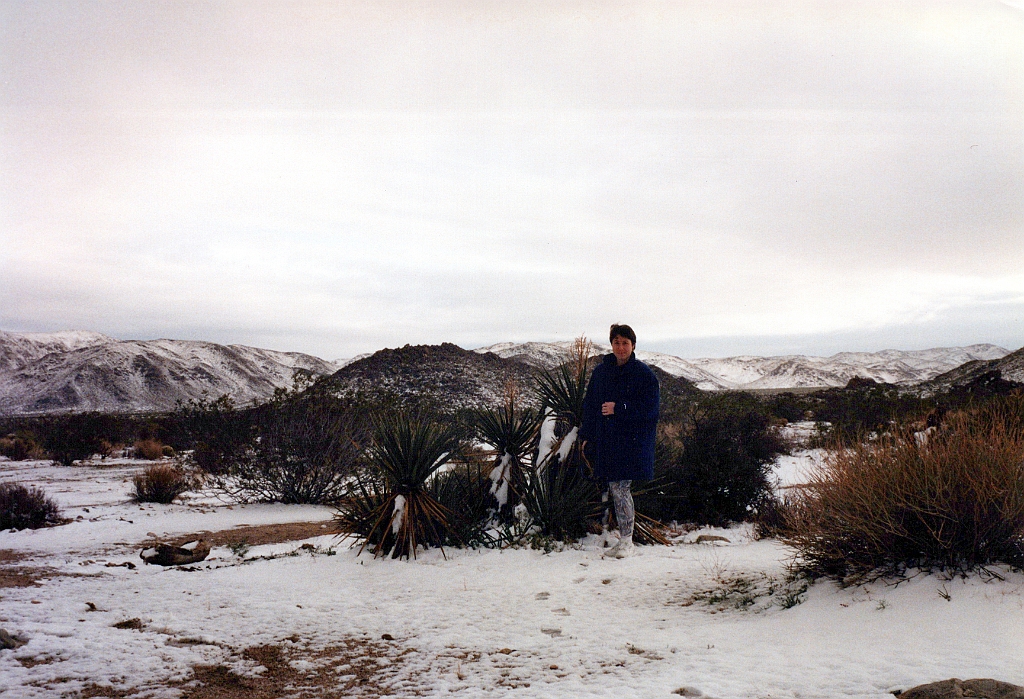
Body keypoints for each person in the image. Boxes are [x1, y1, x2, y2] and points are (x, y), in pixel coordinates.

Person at [579, 324, 660, 558]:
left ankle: (627, 542)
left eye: (625, 343)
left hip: (632, 442)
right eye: (617, 342)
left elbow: (650, 410)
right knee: (616, 488)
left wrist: (620, 408)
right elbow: (590, 406)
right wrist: (587, 436)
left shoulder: (643, 374)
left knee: (621, 488)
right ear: (611, 345)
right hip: (608, 441)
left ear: (633, 345)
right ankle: (624, 540)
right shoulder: (601, 372)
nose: (621, 347)